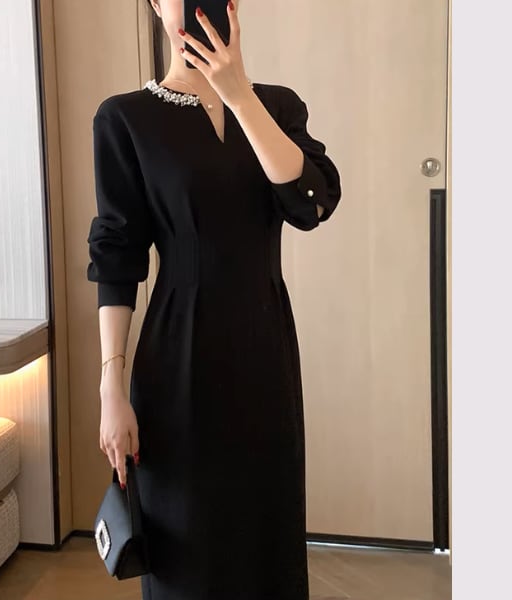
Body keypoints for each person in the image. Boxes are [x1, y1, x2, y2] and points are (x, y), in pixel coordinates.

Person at [86, 0, 342, 598]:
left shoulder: (277, 106)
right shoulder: (125, 118)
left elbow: (312, 204)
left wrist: (238, 93)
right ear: (156, 4)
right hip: (176, 357)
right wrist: (110, 388)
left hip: (264, 351)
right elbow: (117, 256)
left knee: (266, 534)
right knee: (186, 545)